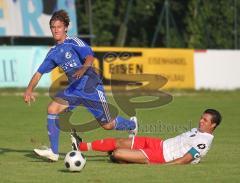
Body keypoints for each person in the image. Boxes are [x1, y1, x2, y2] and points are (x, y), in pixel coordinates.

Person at [23, 9, 137, 162]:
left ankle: (131, 125)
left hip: (91, 86)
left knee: (107, 125)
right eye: (53, 27)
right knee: (52, 108)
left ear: (65, 28)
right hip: (74, 89)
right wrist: (29, 90)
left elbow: (89, 56)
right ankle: (54, 152)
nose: (56, 30)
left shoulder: (73, 42)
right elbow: (39, 73)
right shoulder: (53, 53)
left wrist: (83, 68)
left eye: (59, 27)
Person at [71, 109, 222, 165]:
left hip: (162, 156)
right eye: (202, 118)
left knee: (117, 152)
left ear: (213, 125)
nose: (201, 121)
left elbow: (185, 160)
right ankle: (80, 146)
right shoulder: (198, 130)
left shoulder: (204, 142)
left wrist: (163, 166)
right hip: (160, 144)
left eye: (205, 120)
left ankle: (125, 159)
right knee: (121, 141)